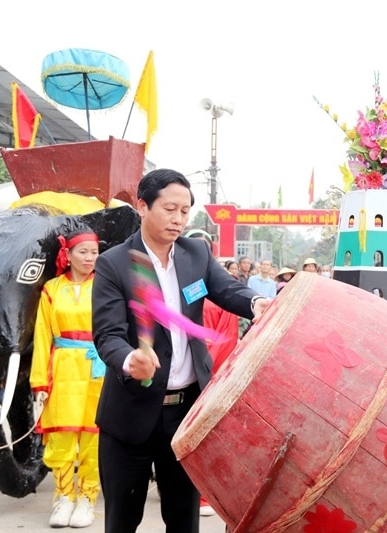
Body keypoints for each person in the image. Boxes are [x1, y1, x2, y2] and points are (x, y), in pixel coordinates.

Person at [91, 169, 271, 532]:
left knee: (184, 521)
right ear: (142, 206)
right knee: (121, 522)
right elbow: (107, 334)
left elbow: (227, 290)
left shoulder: (195, 253)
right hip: (130, 415)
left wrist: (256, 304)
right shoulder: (114, 263)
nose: (178, 219)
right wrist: (130, 360)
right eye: (169, 209)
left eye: (185, 211)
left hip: (186, 415)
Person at [30, 229, 105, 528]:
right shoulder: (51, 289)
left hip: (97, 369)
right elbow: (41, 336)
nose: (89, 258)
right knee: (60, 438)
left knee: (93, 439)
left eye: (94, 252)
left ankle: (87, 498)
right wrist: (39, 382)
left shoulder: (105, 285)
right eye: (83, 252)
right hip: (61, 369)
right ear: (68, 255)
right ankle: (63, 496)